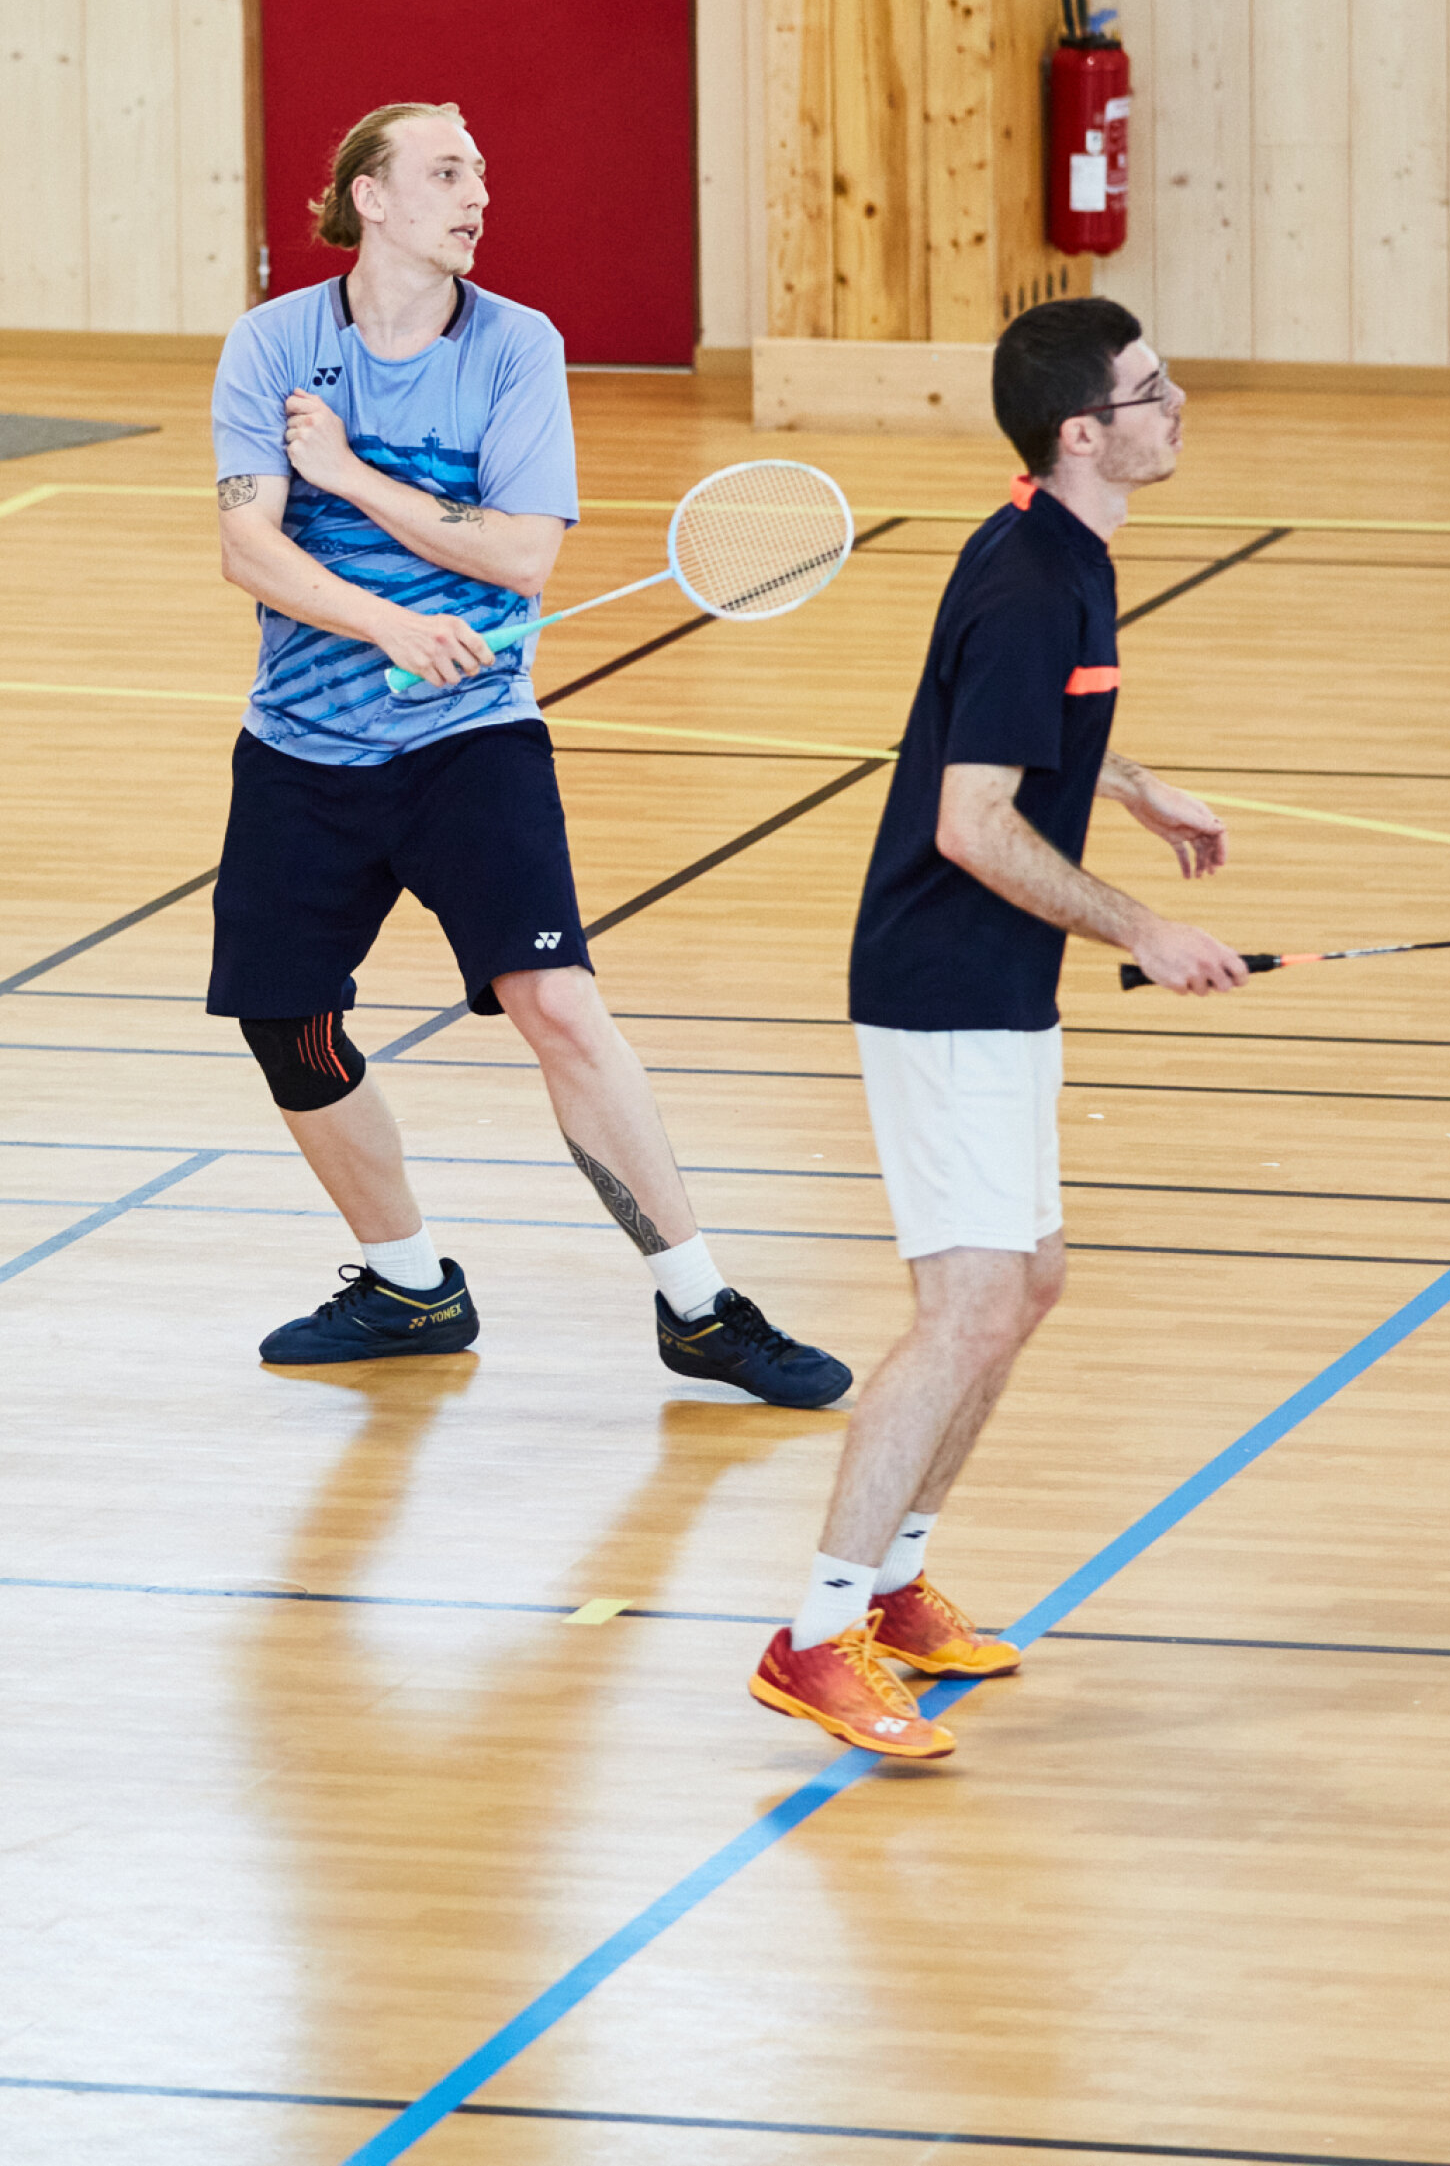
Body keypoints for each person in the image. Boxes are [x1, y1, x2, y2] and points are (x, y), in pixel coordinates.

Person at [208, 98, 850, 1407]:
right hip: (301, 744)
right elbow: (247, 547)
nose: (478, 194)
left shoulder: (515, 345)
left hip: (472, 737)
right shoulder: (274, 344)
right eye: (447, 172)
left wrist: (354, 478)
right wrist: (388, 617)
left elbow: (519, 553)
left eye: (481, 173)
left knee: (557, 1002)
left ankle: (699, 1305)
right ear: (369, 196)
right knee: (288, 1022)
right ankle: (407, 1287)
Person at [750, 297, 1247, 1760]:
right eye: (1150, 390)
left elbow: (1022, 729)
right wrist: (1143, 928)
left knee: (1026, 1280)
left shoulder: (1062, 546)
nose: (1177, 404)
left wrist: (1132, 785)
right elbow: (973, 823)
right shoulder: (1035, 579)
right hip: (944, 983)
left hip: (997, 984)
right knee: (967, 1303)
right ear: (1083, 432)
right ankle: (814, 1636)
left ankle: (894, 1591)